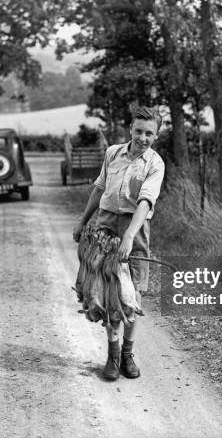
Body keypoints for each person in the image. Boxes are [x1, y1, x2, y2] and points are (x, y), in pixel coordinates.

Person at [73, 105, 165, 380]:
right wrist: (83, 220)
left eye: (149, 133)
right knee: (108, 289)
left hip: (133, 229)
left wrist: (128, 237)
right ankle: (112, 356)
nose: (142, 137)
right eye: (139, 131)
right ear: (130, 129)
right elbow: (99, 188)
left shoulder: (155, 163)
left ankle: (128, 353)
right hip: (105, 225)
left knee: (133, 291)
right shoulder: (113, 153)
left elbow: (145, 202)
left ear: (156, 135)